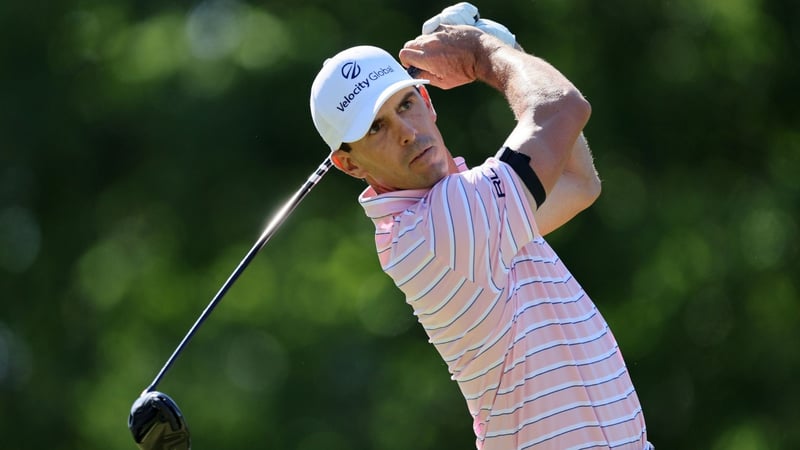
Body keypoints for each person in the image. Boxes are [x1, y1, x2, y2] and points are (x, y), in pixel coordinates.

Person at [309, 4, 652, 449]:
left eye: (407, 104)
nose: (407, 132)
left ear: (428, 103)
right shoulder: (439, 227)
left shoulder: (471, 209)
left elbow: (577, 182)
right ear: (349, 164)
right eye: (377, 128)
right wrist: (486, 52)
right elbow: (562, 107)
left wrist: (509, 52)